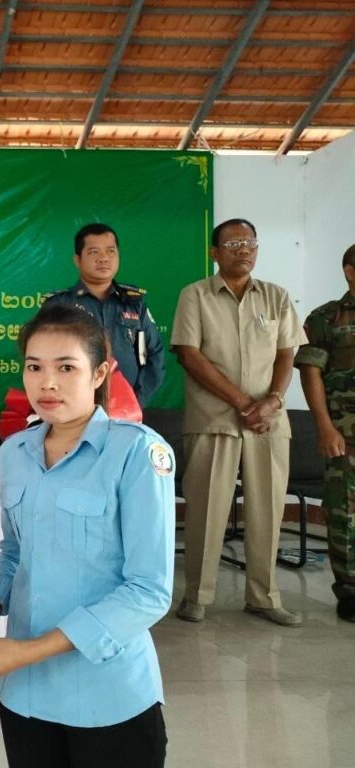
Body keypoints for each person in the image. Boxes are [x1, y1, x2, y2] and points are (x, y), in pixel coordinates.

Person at [0, 302, 174, 768]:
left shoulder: (136, 453)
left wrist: (29, 652)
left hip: (108, 697)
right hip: (24, 697)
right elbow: (15, 555)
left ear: (100, 373)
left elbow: (148, 591)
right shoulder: (17, 451)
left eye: (66, 367)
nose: (47, 383)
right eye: (34, 367)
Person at [172, 218, 306, 627]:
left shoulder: (277, 296)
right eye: (232, 243)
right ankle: (197, 596)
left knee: (267, 509)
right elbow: (189, 354)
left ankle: (263, 597)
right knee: (206, 510)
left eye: (249, 242)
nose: (243, 249)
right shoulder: (195, 295)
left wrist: (273, 401)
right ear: (214, 253)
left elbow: (287, 353)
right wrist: (243, 401)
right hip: (214, 418)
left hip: (268, 422)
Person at [294, 243, 355, 623]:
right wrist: (325, 427)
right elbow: (310, 372)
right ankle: (349, 591)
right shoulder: (325, 318)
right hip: (344, 435)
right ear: (350, 271)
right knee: (343, 514)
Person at [45, 223, 165, 407]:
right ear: (77, 260)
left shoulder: (134, 303)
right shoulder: (59, 304)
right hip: (72, 409)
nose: (104, 258)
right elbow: (44, 359)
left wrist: (134, 401)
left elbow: (155, 355)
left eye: (110, 251)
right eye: (94, 252)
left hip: (128, 410)